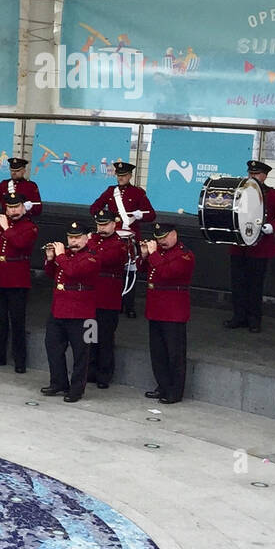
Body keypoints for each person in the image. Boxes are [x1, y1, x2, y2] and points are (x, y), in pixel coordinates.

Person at [39, 221, 101, 403]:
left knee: (81, 352)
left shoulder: (92, 256)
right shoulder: (64, 255)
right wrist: (51, 259)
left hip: (82, 311)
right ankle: (58, 382)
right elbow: (54, 274)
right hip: (59, 308)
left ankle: (77, 388)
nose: (72, 241)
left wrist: (59, 256)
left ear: (86, 238)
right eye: (70, 237)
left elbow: (73, 272)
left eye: (76, 237)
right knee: (53, 346)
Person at [225, 159, 275, 333]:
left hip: (260, 247)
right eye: (250, 173)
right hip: (239, 245)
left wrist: (273, 227)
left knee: (255, 285)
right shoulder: (239, 192)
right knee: (237, 283)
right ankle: (239, 316)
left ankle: (254, 319)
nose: (252, 176)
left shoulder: (273, 195)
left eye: (256, 174)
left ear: (264, 176)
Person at [89, 160, 155, 318]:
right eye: (118, 175)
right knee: (114, 270)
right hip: (113, 236)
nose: (120, 178)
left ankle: (129, 305)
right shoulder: (111, 191)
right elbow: (94, 208)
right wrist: (105, 218)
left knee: (131, 271)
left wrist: (140, 214)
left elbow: (151, 215)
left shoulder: (138, 193)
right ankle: (116, 302)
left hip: (130, 236)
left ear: (130, 176)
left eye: (123, 175)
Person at [141, 221, 195, 406]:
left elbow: (167, 273)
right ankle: (162, 385)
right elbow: (145, 271)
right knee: (158, 352)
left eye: (164, 237)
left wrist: (154, 254)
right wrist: (144, 255)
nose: (161, 241)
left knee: (175, 353)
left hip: (173, 310)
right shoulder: (159, 253)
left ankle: (175, 391)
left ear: (174, 234)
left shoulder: (184, 255)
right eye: (158, 238)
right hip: (155, 307)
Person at [0, 193, 37, 373]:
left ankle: (19, 360)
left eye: (16, 207)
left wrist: (5, 228)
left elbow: (21, 243)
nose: (12, 211)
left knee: (17, 321)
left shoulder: (29, 226)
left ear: (23, 208)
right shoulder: (3, 224)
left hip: (17, 278)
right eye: (9, 208)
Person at [87, 209, 129, 389]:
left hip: (108, 299)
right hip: (90, 297)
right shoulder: (92, 239)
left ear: (114, 224)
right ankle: (88, 371)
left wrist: (89, 246)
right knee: (89, 336)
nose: (101, 228)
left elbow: (102, 259)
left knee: (104, 338)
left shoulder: (119, 244)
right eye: (99, 224)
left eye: (105, 225)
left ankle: (104, 375)